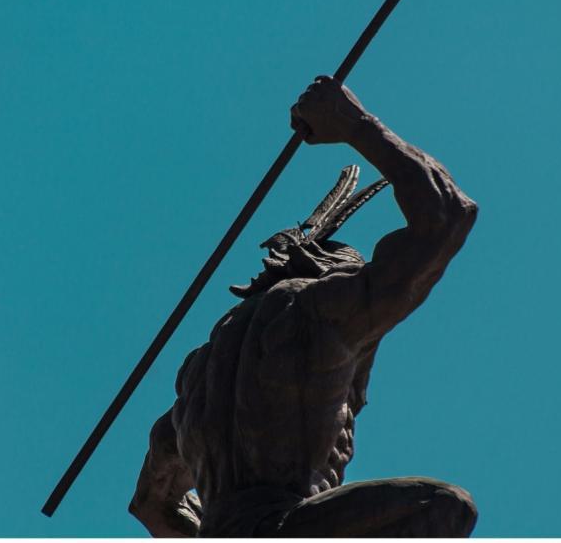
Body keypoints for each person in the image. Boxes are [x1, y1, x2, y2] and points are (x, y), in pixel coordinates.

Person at [129, 76, 479, 537]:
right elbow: (447, 214)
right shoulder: (321, 313)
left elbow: (151, 506)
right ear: (334, 271)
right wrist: (355, 123)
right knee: (445, 506)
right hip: (285, 521)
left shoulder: (197, 376)